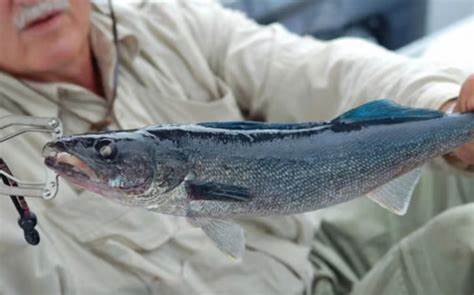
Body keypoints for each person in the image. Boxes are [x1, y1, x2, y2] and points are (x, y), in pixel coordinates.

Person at [0, 0, 472, 294]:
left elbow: (314, 69)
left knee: (457, 179)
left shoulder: (168, 21)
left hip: (315, 253)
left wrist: (445, 104)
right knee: (466, 234)